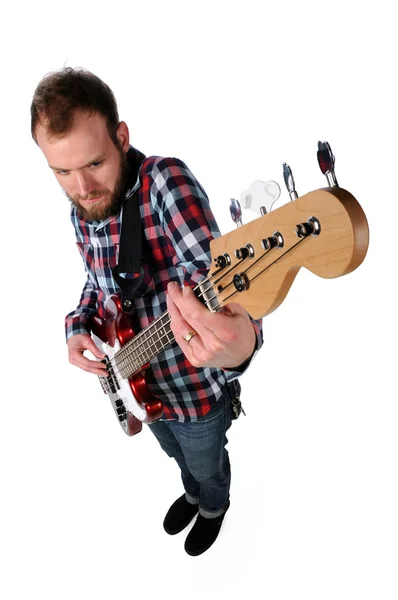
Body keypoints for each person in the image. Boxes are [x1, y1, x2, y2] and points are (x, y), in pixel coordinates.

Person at [30, 67, 263, 556]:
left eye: (94, 163)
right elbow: (98, 285)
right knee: (175, 456)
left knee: (206, 461)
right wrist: (76, 327)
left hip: (195, 394)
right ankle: (193, 494)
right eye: (62, 172)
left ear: (121, 136)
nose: (82, 186)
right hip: (141, 391)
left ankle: (214, 503)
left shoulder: (163, 183)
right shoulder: (82, 209)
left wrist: (240, 339)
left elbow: (221, 280)